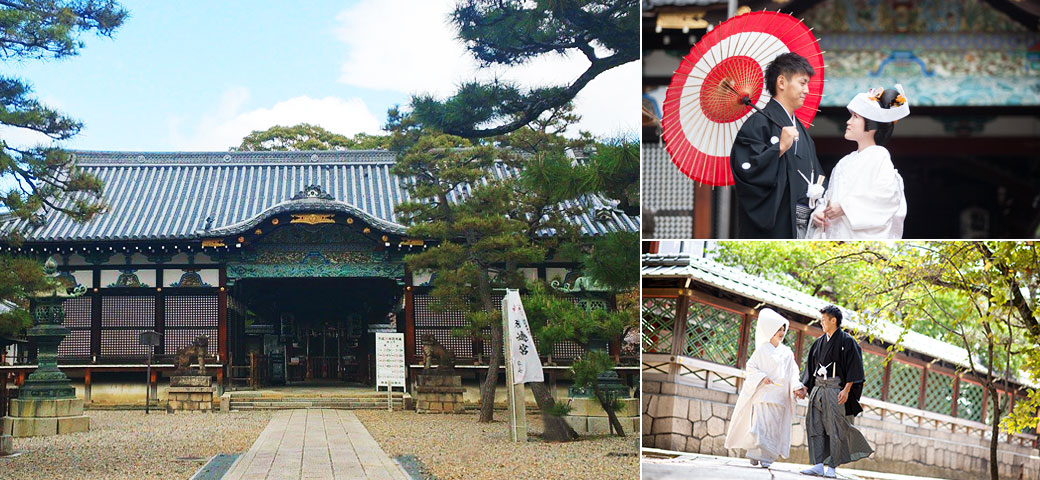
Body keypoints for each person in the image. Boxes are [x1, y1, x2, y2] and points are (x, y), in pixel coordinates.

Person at [730, 52, 827, 238]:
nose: (806, 90)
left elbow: (818, 174)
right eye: (802, 83)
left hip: (807, 223)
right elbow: (747, 172)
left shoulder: (801, 131)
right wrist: (779, 148)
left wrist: (820, 202)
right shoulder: (758, 124)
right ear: (781, 83)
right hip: (779, 223)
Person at [809, 86, 910, 239]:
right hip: (836, 232)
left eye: (855, 117)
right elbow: (829, 196)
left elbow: (887, 197)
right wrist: (820, 211)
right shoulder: (845, 161)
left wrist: (845, 207)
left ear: (872, 126)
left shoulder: (879, 156)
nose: (848, 122)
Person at [797, 305, 873, 478]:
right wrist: (805, 387)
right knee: (814, 424)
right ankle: (817, 464)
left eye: (824, 320)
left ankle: (832, 466)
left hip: (835, 390)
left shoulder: (847, 341)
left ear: (834, 320)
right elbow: (810, 368)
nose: (821, 323)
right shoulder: (819, 342)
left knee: (836, 427)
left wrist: (847, 390)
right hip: (818, 389)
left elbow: (855, 368)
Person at [725, 308, 804, 468]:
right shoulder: (762, 349)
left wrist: (796, 386)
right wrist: (762, 377)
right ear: (770, 330)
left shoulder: (787, 353)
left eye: (783, 329)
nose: (781, 333)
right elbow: (751, 367)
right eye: (778, 329)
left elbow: (793, 372)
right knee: (760, 427)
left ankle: (766, 457)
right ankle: (755, 452)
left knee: (773, 429)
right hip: (763, 394)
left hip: (779, 396)